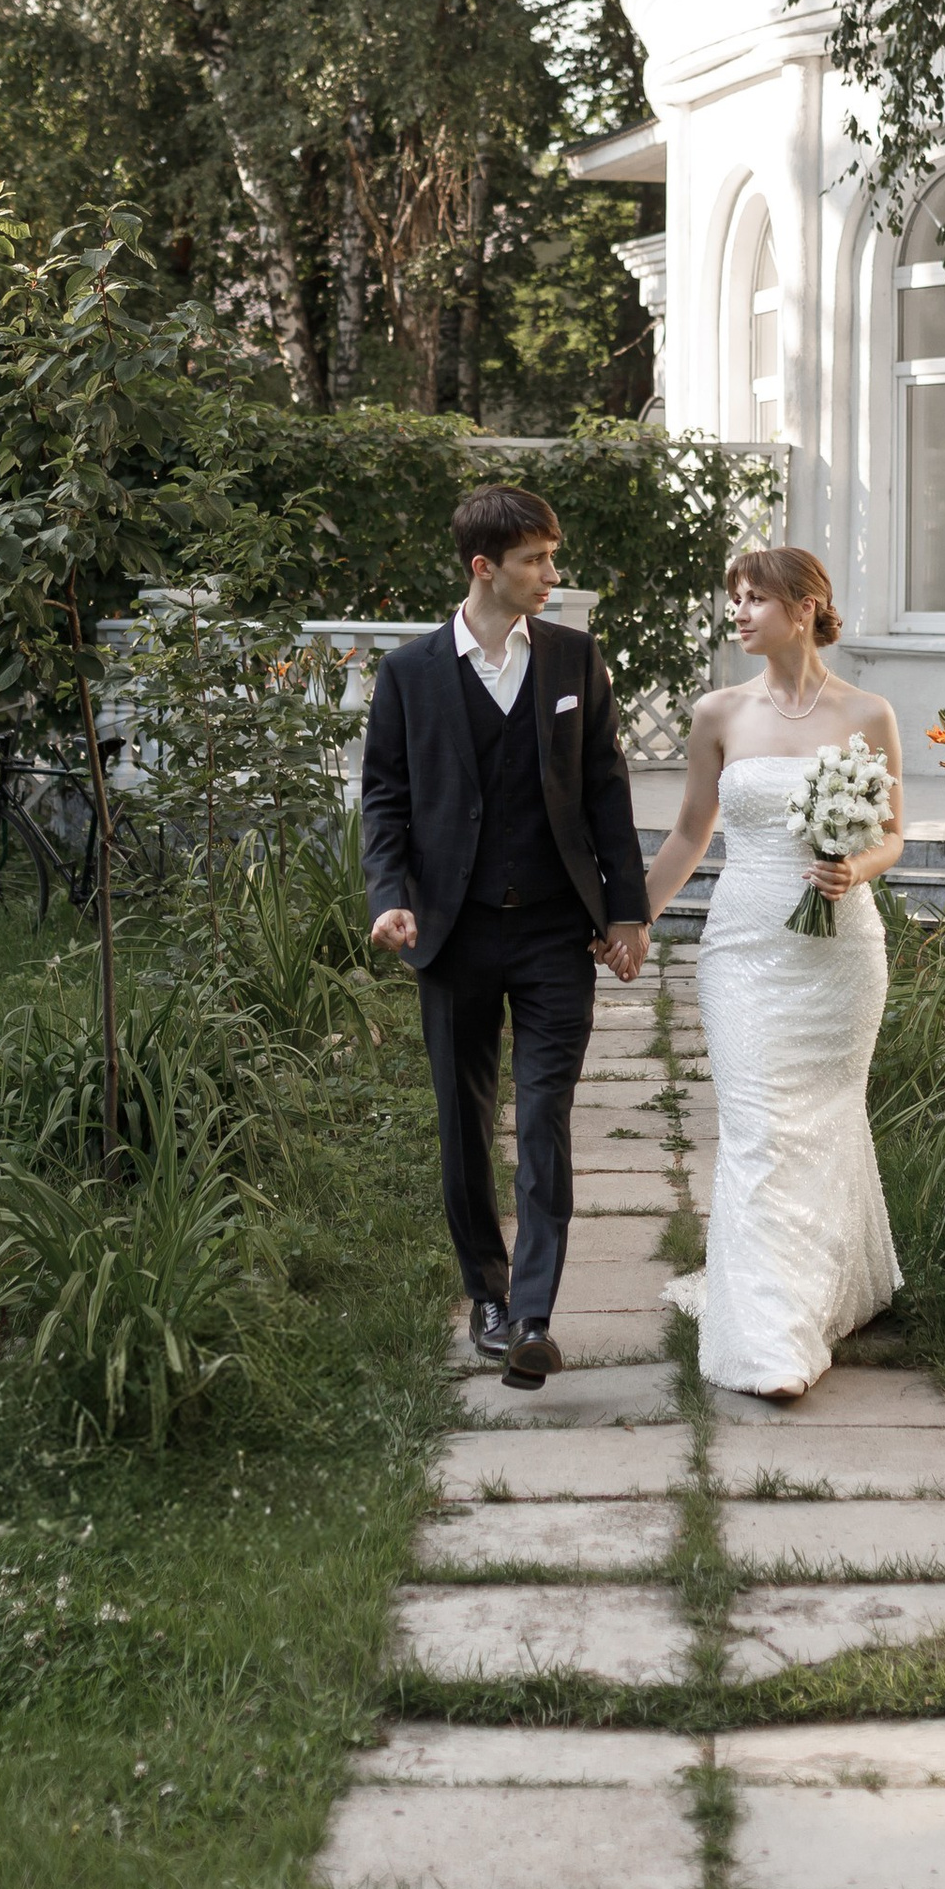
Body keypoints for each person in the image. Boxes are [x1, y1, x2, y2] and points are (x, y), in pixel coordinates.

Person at [362, 485, 651, 1390]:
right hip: (449, 934)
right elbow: (385, 798)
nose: (552, 576)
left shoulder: (574, 658)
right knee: (463, 1124)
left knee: (546, 1120)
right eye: (537, 561)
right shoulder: (409, 674)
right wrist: (388, 896)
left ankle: (532, 1314)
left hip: (556, 934)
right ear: (485, 567)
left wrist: (627, 913)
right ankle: (484, 1294)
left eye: (552, 558)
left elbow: (606, 789)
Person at [643, 546, 904, 1400]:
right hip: (745, 951)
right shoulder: (718, 712)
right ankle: (769, 1342)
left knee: (824, 1120)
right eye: (736, 599)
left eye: (756, 598)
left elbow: (893, 833)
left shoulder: (869, 714)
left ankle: (819, 1290)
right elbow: (688, 837)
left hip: (839, 953)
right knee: (759, 1129)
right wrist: (627, 919)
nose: (740, 612)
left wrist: (854, 869)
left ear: (805, 606)